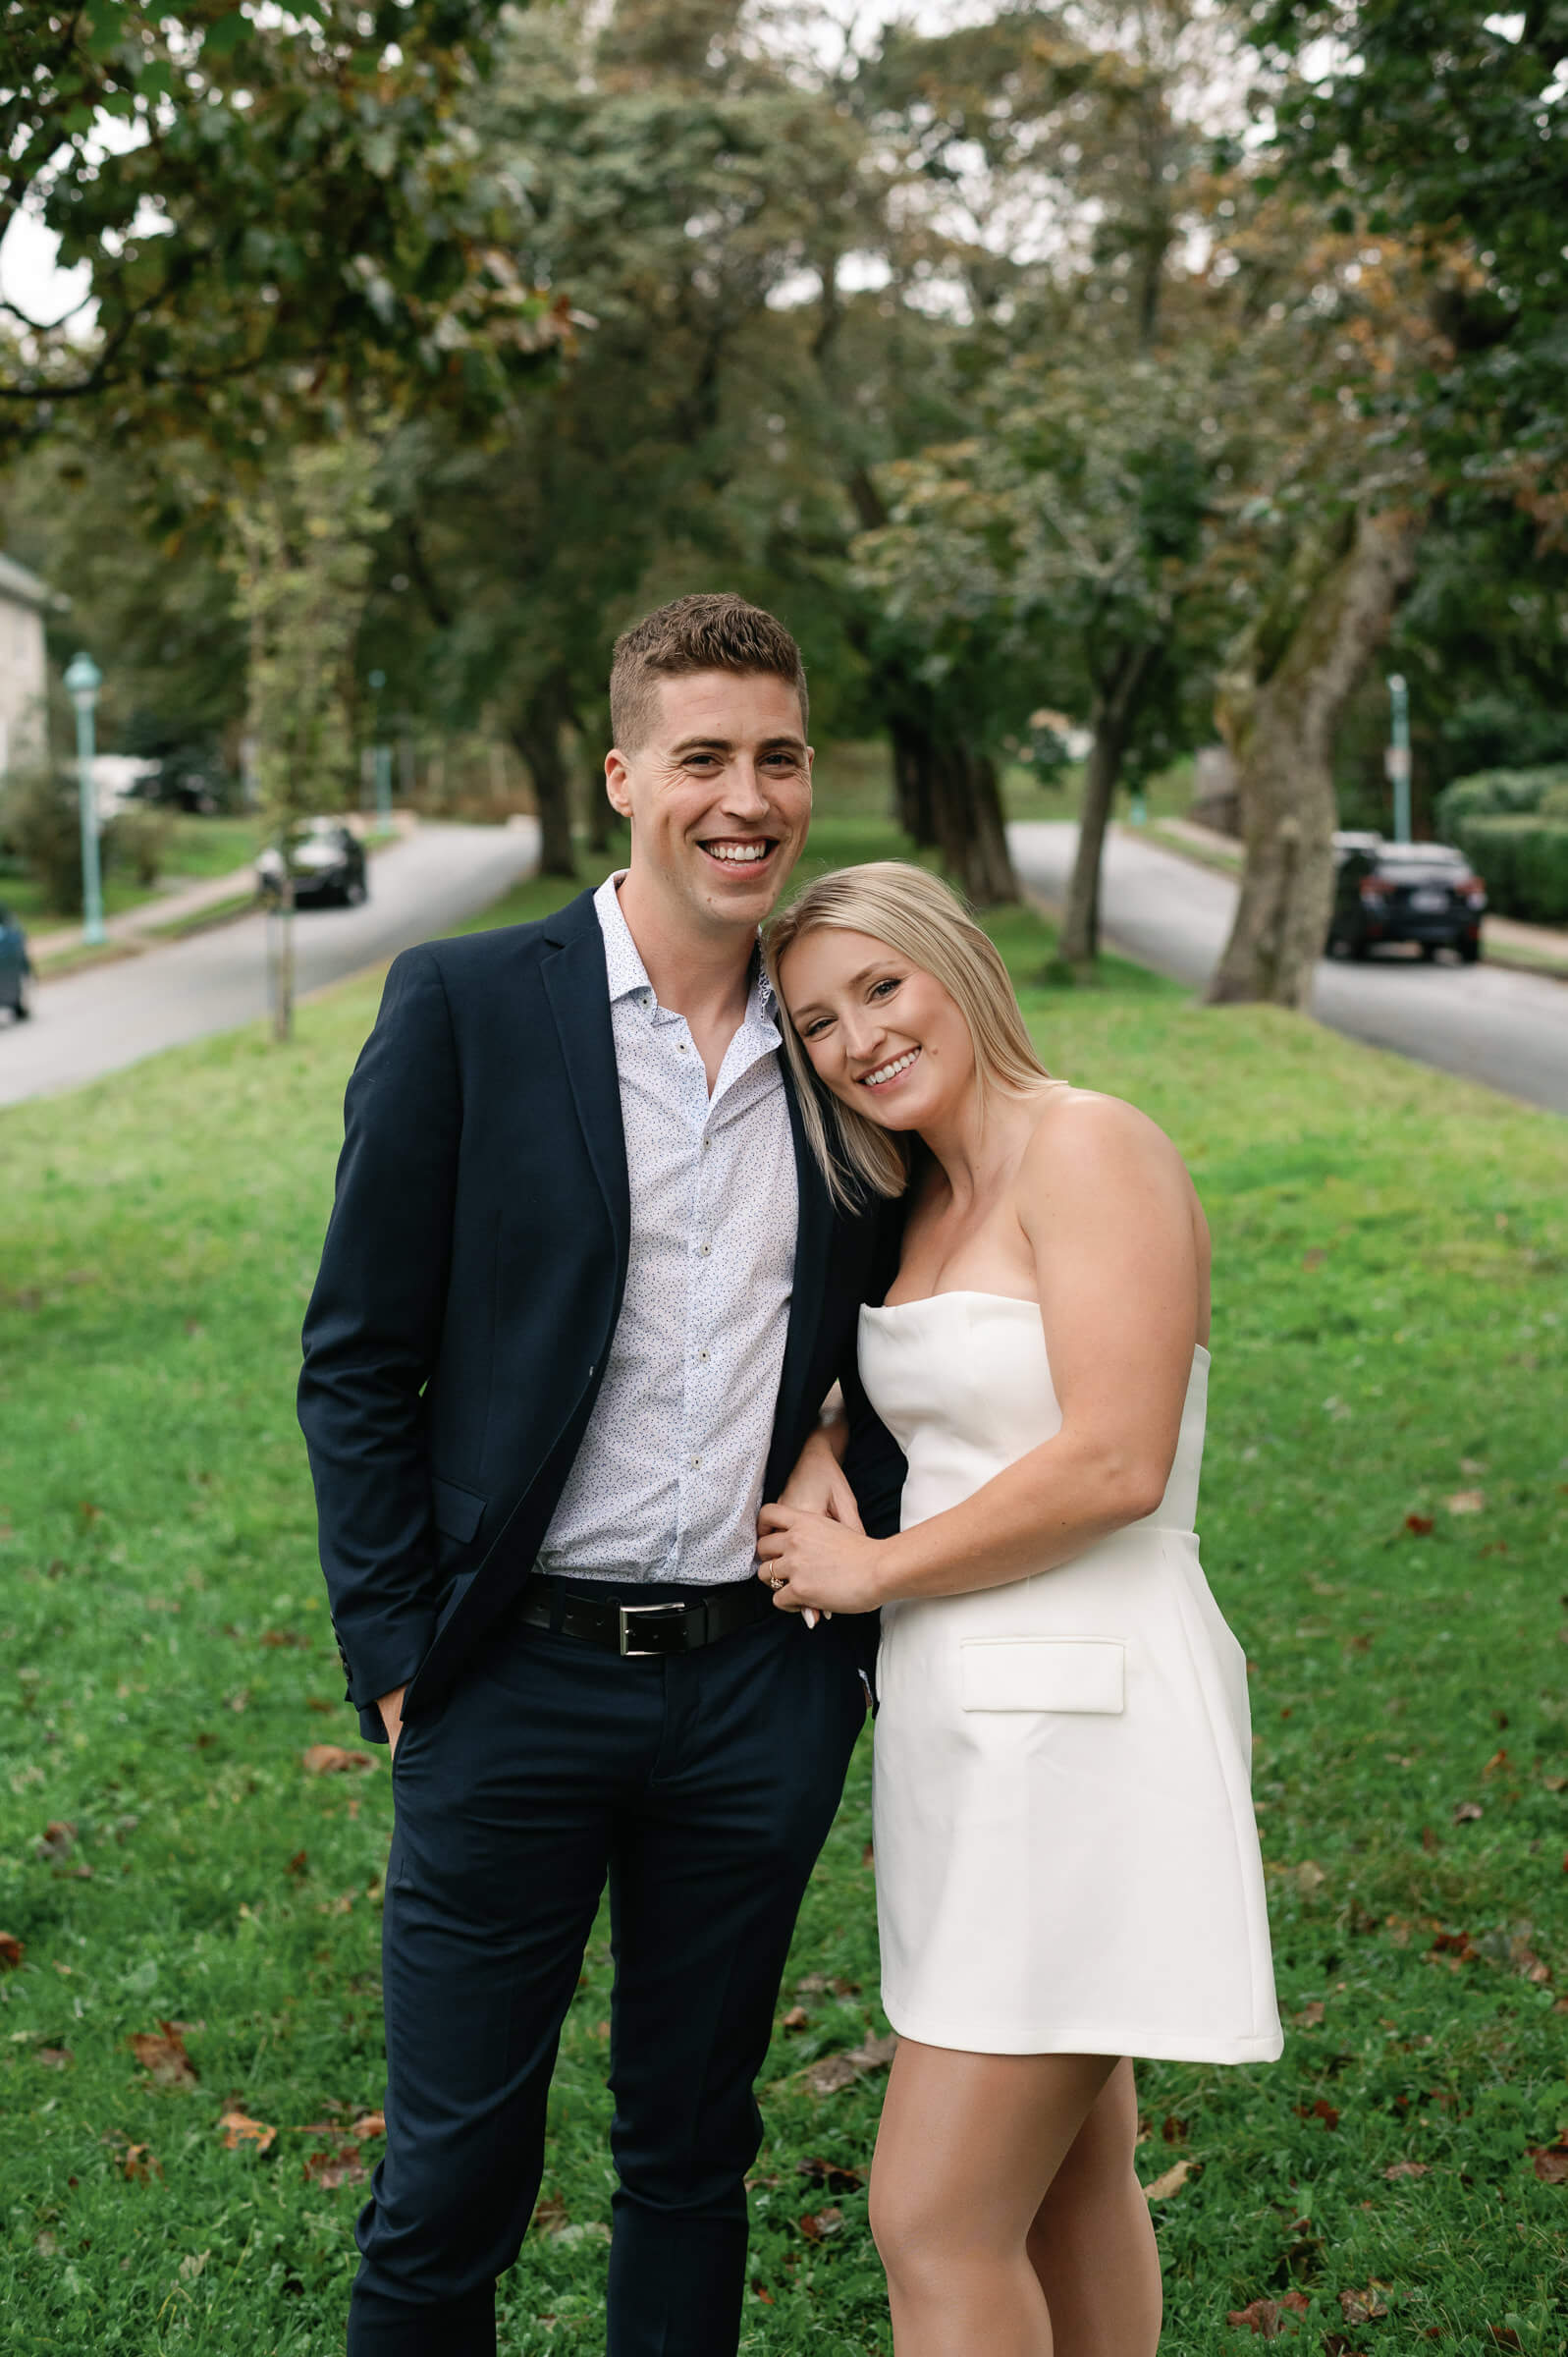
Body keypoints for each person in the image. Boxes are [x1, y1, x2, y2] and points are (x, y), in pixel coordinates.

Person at [297, 595, 904, 2357]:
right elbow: (356, 1353)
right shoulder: (472, 1002)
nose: (745, 795)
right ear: (625, 771)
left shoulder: (847, 1034)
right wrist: (401, 1651)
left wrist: (843, 1503)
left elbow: (913, 1313)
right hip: (509, 1680)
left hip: (755, 1690)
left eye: (776, 756)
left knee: (691, 2154)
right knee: (451, 2181)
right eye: (703, 756)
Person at [758, 861, 1283, 2357]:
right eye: (813, 1024)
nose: (857, 1039)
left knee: (930, 2218)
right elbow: (919, 1389)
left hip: (1085, 1731)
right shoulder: (916, 1197)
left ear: (962, 967)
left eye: (880, 988)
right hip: (961, 1737)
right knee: (1065, 2184)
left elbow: (1112, 1459)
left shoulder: (1091, 1147)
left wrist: (868, 1572)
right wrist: (816, 1441)